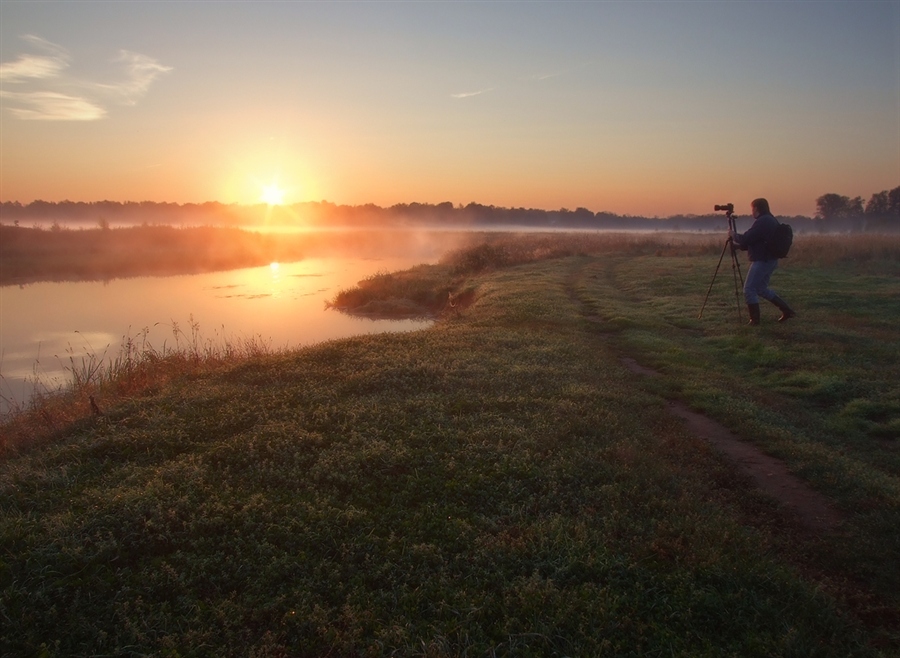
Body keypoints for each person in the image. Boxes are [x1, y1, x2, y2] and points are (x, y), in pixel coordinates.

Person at [728, 198, 796, 325]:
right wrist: (738, 246)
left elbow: (747, 238)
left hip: (763, 260)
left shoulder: (763, 221)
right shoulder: (770, 220)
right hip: (769, 259)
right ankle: (787, 310)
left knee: (749, 289)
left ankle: (754, 321)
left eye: (752, 209)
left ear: (757, 209)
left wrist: (733, 235)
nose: (751, 212)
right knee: (761, 289)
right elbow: (758, 241)